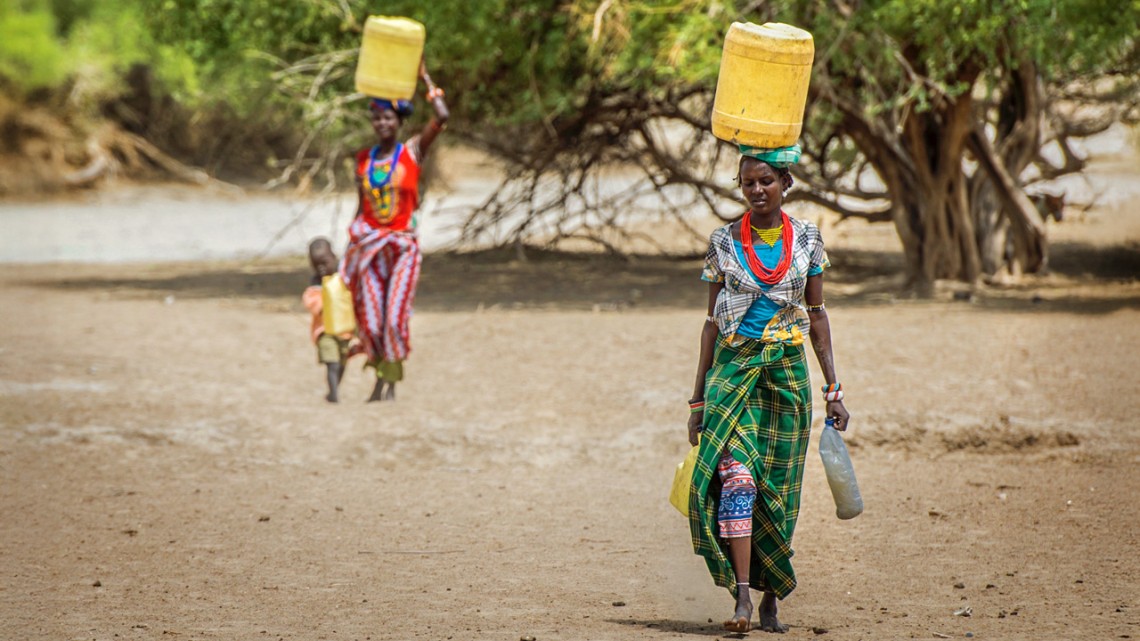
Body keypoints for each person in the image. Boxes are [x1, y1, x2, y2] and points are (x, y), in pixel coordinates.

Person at [685, 145, 851, 634]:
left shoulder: (807, 240)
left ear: (785, 184)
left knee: (778, 492)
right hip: (733, 373)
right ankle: (741, 598)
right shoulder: (721, 242)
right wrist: (698, 400)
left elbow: (817, 317)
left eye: (766, 182)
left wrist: (833, 390)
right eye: (748, 183)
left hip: (786, 378)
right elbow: (711, 324)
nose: (757, 191)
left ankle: (771, 596)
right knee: (737, 479)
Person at [340, 61, 448, 402]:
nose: (382, 123)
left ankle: (386, 384)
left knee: (392, 319)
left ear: (399, 122)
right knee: (370, 321)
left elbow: (441, 117)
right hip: (370, 246)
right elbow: (361, 207)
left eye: (388, 118)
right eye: (377, 118)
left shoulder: (412, 152)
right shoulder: (362, 161)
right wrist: (350, 249)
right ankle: (378, 374)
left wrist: (425, 78)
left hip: (401, 247)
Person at [302, 238, 353, 403]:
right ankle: (334, 394)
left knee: (342, 362)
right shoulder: (316, 283)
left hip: (344, 330)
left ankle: (334, 389)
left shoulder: (342, 277)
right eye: (316, 265)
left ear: (334, 257)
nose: (321, 268)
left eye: (324, 262)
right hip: (324, 332)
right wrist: (321, 307)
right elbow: (311, 299)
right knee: (332, 362)